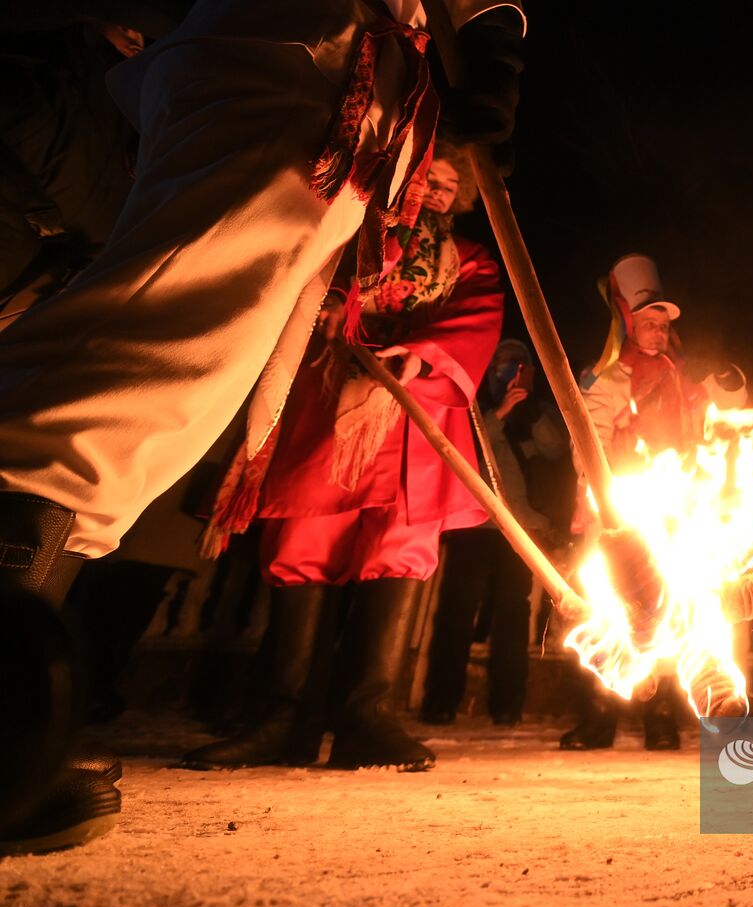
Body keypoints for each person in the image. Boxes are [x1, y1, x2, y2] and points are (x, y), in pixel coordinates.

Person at [0, 0, 522, 852]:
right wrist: (492, 30)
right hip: (298, 64)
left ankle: (13, 723)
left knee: (170, 392)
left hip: (340, 104)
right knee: (136, 359)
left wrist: (491, 37)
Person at [179, 146, 503, 772]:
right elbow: (296, 291)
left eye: (448, 185)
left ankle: (367, 718)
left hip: (414, 420)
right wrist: (323, 308)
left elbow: (477, 319)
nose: (436, 191)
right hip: (328, 412)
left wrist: (420, 354)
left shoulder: (470, 259)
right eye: (427, 178)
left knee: (397, 552)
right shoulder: (353, 239)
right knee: (302, 548)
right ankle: (282, 719)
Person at [561, 253, 745, 750]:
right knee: (609, 613)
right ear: (628, 325)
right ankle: (599, 716)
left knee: (673, 609)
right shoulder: (606, 380)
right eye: (648, 323)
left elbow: (736, 409)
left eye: (663, 324)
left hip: (676, 511)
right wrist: (606, 501)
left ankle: (662, 716)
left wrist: (723, 377)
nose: (659, 332)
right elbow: (588, 442)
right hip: (620, 512)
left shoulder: (687, 375)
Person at [419, 337, 569, 726]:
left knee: (512, 615)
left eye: (518, 365)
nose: (510, 371)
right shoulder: (473, 409)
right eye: (502, 364)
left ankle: (507, 705)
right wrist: (500, 412)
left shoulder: (539, 412)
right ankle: (440, 702)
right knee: (455, 612)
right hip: (473, 524)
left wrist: (529, 407)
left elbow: (556, 452)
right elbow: (464, 451)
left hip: (521, 530)